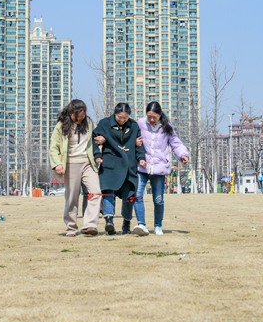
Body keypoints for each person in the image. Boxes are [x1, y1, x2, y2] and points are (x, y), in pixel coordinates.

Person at [130, 101, 190, 236]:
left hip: (159, 167)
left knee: (158, 199)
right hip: (142, 166)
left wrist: (182, 155)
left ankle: (158, 226)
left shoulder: (167, 126)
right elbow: (132, 138)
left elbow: (175, 143)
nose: (151, 119)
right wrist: (135, 142)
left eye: (154, 117)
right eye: (149, 116)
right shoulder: (140, 123)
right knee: (137, 195)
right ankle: (141, 224)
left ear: (160, 114)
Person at [49, 99, 101, 237]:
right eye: (77, 116)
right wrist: (57, 164)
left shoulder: (89, 122)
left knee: (96, 192)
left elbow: (96, 138)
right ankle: (71, 227)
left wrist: (101, 141)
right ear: (70, 113)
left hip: (88, 162)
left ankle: (90, 225)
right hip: (70, 163)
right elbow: (54, 147)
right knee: (72, 197)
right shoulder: (61, 126)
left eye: (82, 115)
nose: (80, 118)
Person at [92, 103, 146, 235]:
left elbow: (139, 144)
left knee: (129, 194)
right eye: (119, 117)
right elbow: (94, 139)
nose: (122, 120)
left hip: (128, 165)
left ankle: (126, 223)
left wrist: (141, 158)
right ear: (114, 114)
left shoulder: (134, 126)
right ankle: (109, 221)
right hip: (110, 163)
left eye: (125, 117)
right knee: (108, 191)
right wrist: (97, 155)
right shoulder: (104, 123)